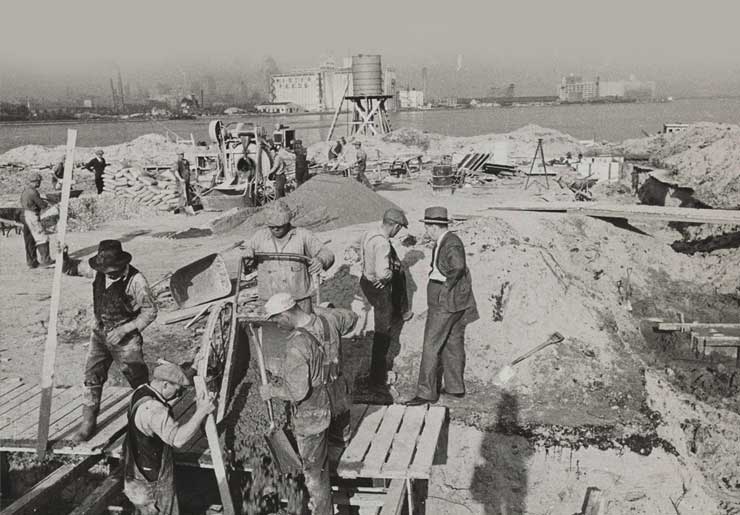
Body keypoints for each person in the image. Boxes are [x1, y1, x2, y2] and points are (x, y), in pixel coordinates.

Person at [64, 240, 159, 442]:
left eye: (113, 271)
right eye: (105, 270)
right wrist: (62, 257)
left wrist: (125, 328)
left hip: (126, 339)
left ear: (122, 264)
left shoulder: (137, 280)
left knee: (138, 380)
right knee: (92, 376)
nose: (109, 274)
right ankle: (87, 424)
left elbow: (150, 311)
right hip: (99, 334)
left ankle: (152, 420)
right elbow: (71, 268)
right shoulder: (97, 271)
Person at [260, 293, 339, 515]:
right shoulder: (321, 323)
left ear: (286, 314)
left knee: (314, 476)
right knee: (322, 461)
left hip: (310, 420)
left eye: (276, 319)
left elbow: (297, 392)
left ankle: (321, 511)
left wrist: (272, 391)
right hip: (329, 405)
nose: (276, 324)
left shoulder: (296, 346)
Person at [406, 206, 478, 406]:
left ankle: (426, 393)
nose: (426, 231)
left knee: (431, 344)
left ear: (434, 226)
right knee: (453, 343)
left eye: (427, 227)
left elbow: (458, 266)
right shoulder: (444, 241)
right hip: (454, 302)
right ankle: (455, 388)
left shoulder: (451, 243)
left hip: (445, 301)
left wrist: (445, 288)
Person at [123, 361, 216, 515]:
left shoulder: (141, 391)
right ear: (165, 385)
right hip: (151, 482)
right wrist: (201, 411)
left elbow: (160, 407)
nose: (178, 395)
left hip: (134, 471)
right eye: (177, 391)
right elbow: (178, 440)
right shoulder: (153, 409)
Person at [354, 208, 412, 390]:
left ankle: (398, 312)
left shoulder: (370, 233)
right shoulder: (383, 244)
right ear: (394, 226)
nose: (399, 231)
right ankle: (377, 375)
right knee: (382, 332)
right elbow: (382, 272)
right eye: (399, 227)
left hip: (365, 281)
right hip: (378, 288)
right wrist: (385, 277)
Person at [242, 200, 334, 313]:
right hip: (269, 301)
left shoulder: (302, 236)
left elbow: (326, 253)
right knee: (271, 329)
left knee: (303, 329)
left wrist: (320, 260)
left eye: (279, 226)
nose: (275, 229)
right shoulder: (259, 237)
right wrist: (247, 258)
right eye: (271, 227)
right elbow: (246, 261)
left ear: (287, 222)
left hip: (298, 301)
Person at [20, 172, 53, 268]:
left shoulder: (25, 191)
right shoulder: (33, 192)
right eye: (39, 182)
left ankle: (31, 262)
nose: (40, 184)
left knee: (29, 240)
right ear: (36, 181)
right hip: (32, 216)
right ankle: (46, 260)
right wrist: (47, 203)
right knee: (42, 238)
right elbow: (41, 205)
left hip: (25, 215)